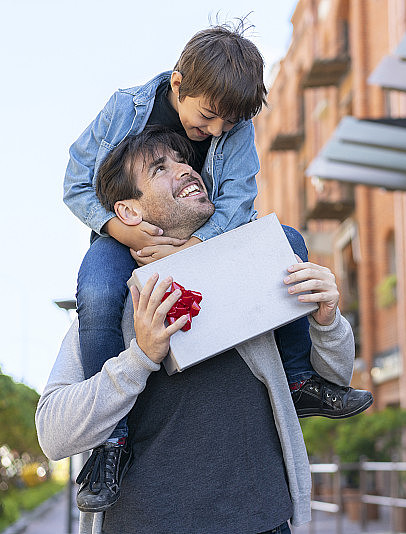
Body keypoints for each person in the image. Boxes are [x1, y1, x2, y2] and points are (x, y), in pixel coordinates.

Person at [62, 21, 372, 511]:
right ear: (179, 83)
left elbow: (238, 201)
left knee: (287, 241)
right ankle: (110, 443)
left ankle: (299, 380)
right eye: (207, 117)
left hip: (207, 236)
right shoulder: (128, 106)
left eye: (226, 125)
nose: (214, 132)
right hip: (125, 234)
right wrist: (123, 230)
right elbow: (75, 182)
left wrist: (196, 247)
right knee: (98, 291)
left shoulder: (235, 128)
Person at [37, 126, 361, 533]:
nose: (186, 171)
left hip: (264, 524)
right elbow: (53, 434)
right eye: (159, 169)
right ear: (129, 213)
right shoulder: (109, 307)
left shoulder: (254, 277)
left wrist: (328, 319)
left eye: (184, 161)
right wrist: (139, 358)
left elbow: (334, 378)